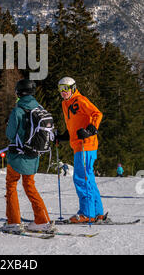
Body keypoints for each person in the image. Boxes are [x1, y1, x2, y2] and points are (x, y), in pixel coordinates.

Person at [4, 79, 55, 233]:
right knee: (30, 186)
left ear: (19, 92)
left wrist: (10, 124)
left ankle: (13, 222)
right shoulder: (39, 108)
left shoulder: (18, 110)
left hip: (18, 154)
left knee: (11, 184)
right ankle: (42, 220)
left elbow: (10, 134)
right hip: (34, 155)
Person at [56, 77, 104, 223]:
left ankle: (87, 213)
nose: (63, 92)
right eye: (60, 89)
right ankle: (97, 212)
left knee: (81, 178)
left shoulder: (80, 100)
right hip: (78, 144)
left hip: (86, 144)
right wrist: (65, 136)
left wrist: (91, 129)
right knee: (88, 178)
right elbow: (73, 123)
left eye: (66, 88)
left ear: (73, 88)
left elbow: (97, 114)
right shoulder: (66, 104)